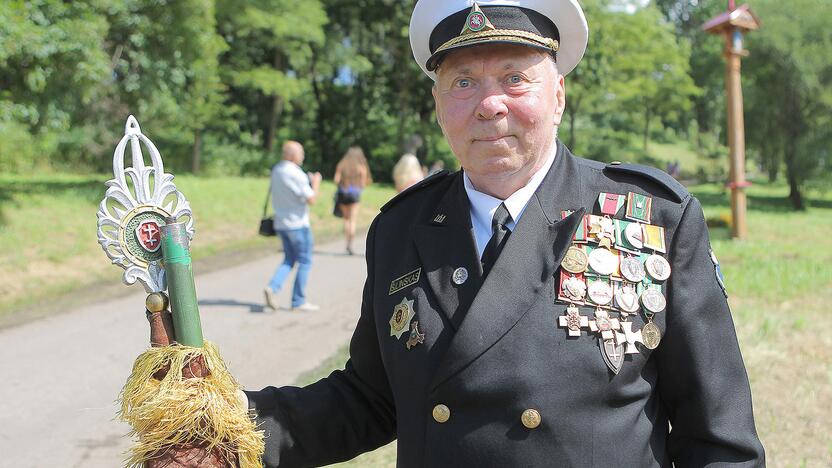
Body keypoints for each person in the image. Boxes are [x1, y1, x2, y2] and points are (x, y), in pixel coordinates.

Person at [147, 1, 765, 466]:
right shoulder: (401, 230)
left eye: (514, 78)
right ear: (439, 105)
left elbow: (720, 440)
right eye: (463, 82)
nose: (489, 104)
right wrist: (227, 422)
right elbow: (372, 398)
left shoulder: (650, 218)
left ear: (558, 94)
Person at [263, 140, 322, 312]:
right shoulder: (296, 173)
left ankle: (272, 287)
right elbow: (311, 199)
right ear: (292, 154)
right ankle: (298, 301)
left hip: (281, 223)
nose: (303, 156)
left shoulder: (277, 170)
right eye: (301, 152)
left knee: (289, 259)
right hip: (298, 224)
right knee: (305, 260)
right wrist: (316, 183)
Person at [333, 146, 372, 255]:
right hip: (354, 194)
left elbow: (336, 180)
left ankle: (346, 243)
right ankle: (350, 244)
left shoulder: (341, 165)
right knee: (353, 220)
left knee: (346, 219)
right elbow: (363, 184)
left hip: (342, 193)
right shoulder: (361, 167)